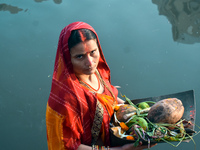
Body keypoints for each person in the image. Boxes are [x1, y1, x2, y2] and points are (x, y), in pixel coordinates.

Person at [46, 21, 155, 150]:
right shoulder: (67, 97)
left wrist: (136, 111)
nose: (90, 62)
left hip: (115, 138)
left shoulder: (98, 71)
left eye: (93, 52)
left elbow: (109, 99)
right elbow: (69, 146)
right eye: (79, 56)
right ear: (68, 59)